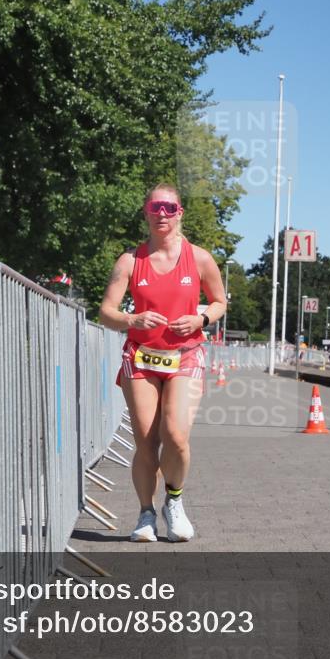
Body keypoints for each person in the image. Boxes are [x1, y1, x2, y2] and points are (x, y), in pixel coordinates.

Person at [99, 184, 226, 542]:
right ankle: (144, 514)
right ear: (146, 212)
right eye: (156, 207)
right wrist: (132, 320)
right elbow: (106, 311)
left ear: (180, 212)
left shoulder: (199, 258)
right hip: (140, 358)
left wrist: (201, 320)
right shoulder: (130, 261)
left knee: (176, 436)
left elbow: (218, 301)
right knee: (145, 439)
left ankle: (174, 500)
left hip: (185, 355)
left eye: (169, 208)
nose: (162, 214)